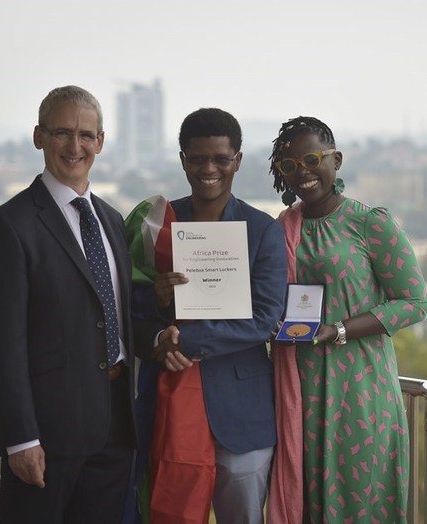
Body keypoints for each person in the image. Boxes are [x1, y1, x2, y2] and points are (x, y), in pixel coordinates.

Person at [0, 85, 136, 523]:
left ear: (100, 142)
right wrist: (21, 439)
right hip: (48, 436)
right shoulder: (9, 226)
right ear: (38, 137)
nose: (75, 145)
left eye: (87, 135)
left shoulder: (112, 219)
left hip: (115, 428)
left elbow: (118, 315)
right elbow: (2, 343)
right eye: (62, 132)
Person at [127, 107, 287, 523]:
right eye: (198, 159)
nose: (209, 168)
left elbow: (266, 318)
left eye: (221, 159)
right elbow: (129, 309)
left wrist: (187, 343)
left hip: (240, 413)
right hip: (170, 400)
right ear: (183, 160)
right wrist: (161, 309)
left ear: (237, 160)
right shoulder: (158, 223)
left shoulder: (262, 229)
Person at [267, 116, 427, 524]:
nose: (302, 172)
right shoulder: (280, 230)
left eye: (311, 158)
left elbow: (413, 302)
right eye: (290, 165)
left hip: (360, 391)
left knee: (359, 501)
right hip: (299, 393)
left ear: (335, 159)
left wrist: (338, 330)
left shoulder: (369, 223)